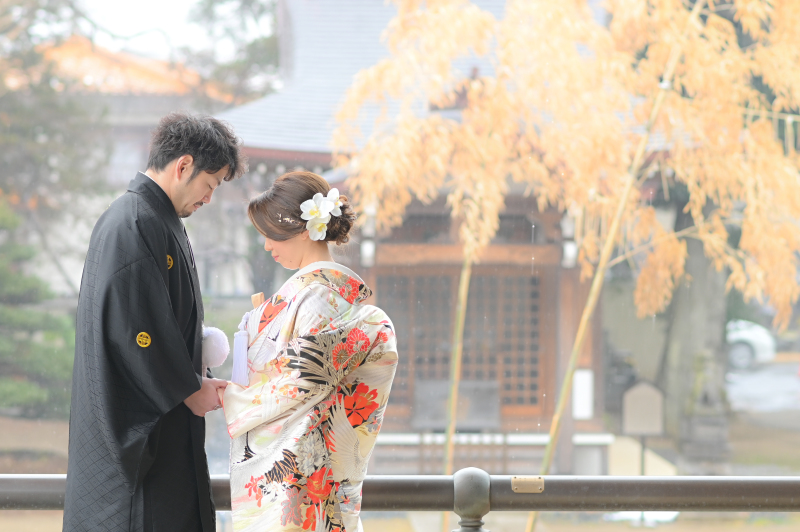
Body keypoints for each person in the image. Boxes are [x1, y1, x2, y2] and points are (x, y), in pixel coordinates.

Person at [63, 112, 247, 532]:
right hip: (140, 439)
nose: (209, 198)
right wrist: (189, 388)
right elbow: (134, 330)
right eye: (210, 184)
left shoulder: (150, 217)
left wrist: (195, 372)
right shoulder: (135, 221)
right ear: (184, 166)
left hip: (161, 425)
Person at [221, 171, 398, 532]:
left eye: (272, 234)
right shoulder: (317, 293)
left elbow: (299, 381)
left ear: (303, 230)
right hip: (313, 474)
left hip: (302, 477)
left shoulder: (317, 297)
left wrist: (233, 395)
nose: (266, 246)